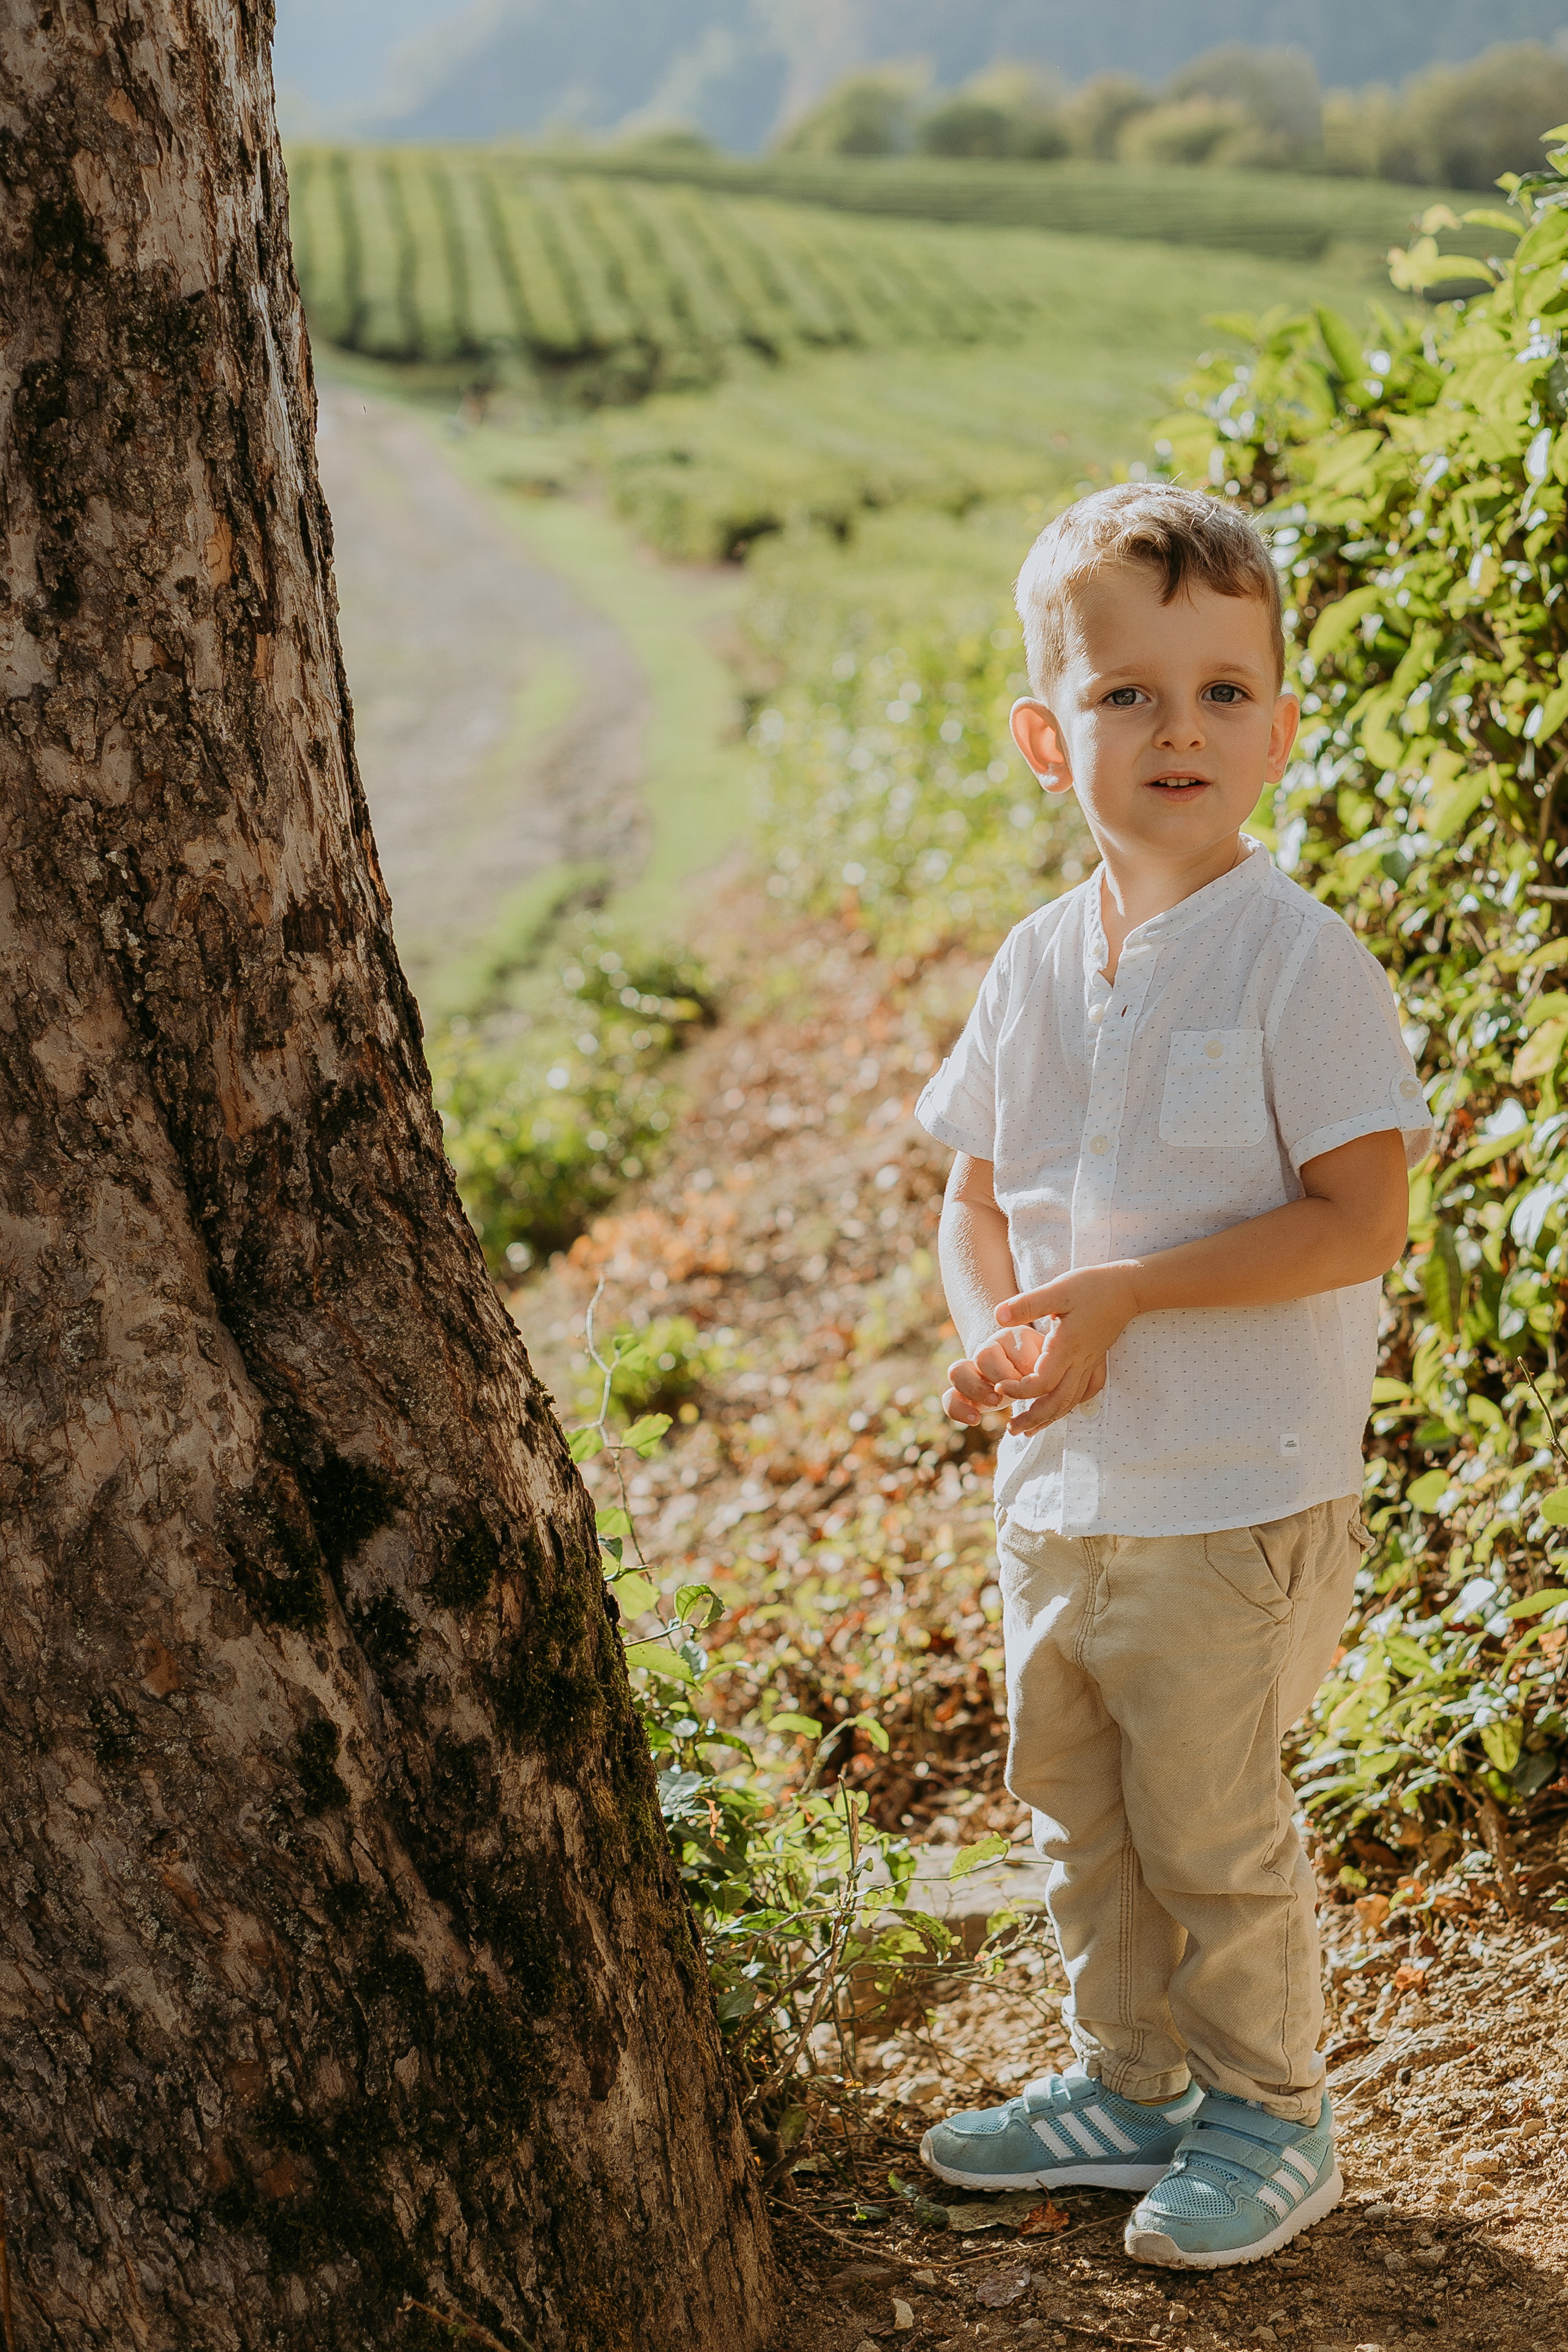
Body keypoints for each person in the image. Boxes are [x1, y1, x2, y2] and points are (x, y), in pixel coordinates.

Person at [913, 481, 1431, 2270]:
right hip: (1061, 1493)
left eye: (1223, 690)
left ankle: (1275, 2115)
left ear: (1282, 726)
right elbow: (975, 1199)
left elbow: (1359, 1218)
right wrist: (994, 1321)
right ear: (1048, 736)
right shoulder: (1034, 967)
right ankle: (1127, 2086)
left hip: (1231, 1490)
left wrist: (1126, 1292)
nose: (1180, 729)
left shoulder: (1300, 964)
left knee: (1210, 1825)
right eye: (1130, 694)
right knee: (1080, 1810)